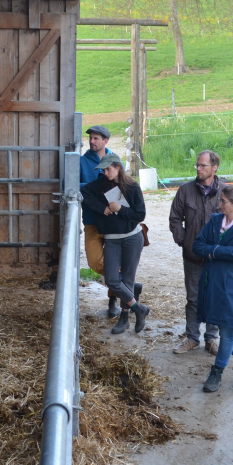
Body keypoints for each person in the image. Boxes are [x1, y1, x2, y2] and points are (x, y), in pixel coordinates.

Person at [192, 184, 233, 392]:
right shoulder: (215, 222)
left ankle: (217, 372)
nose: (219, 204)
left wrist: (212, 251)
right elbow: (197, 245)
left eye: (223, 201)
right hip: (213, 282)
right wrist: (219, 251)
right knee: (225, 326)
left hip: (232, 284)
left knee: (227, 330)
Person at [81, 153, 149, 334]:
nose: (105, 172)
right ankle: (139, 309)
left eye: (108, 169)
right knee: (112, 279)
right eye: (103, 169)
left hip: (132, 237)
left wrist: (120, 209)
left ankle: (124, 318)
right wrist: (101, 208)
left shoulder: (133, 186)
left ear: (118, 167)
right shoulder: (102, 184)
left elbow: (140, 214)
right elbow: (84, 192)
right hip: (111, 239)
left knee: (127, 279)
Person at [169, 150, 225, 354]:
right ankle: (192, 338)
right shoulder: (185, 190)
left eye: (203, 165)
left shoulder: (225, 192)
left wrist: (223, 247)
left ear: (215, 167)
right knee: (193, 298)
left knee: (214, 297)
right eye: (197, 165)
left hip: (216, 258)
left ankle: (212, 338)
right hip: (192, 255)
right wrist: (184, 241)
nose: (199, 169)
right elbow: (175, 218)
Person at [80, 125, 137, 318]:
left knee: (115, 260)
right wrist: (97, 190)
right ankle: (124, 286)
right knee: (95, 261)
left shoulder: (114, 160)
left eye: (96, 138)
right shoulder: (81, 162)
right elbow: (73, 185)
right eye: (91, 138)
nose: (92, 141)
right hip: (92, 220)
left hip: (114, 223)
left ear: (106, 141)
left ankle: (114, 298)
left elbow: (123, 186)